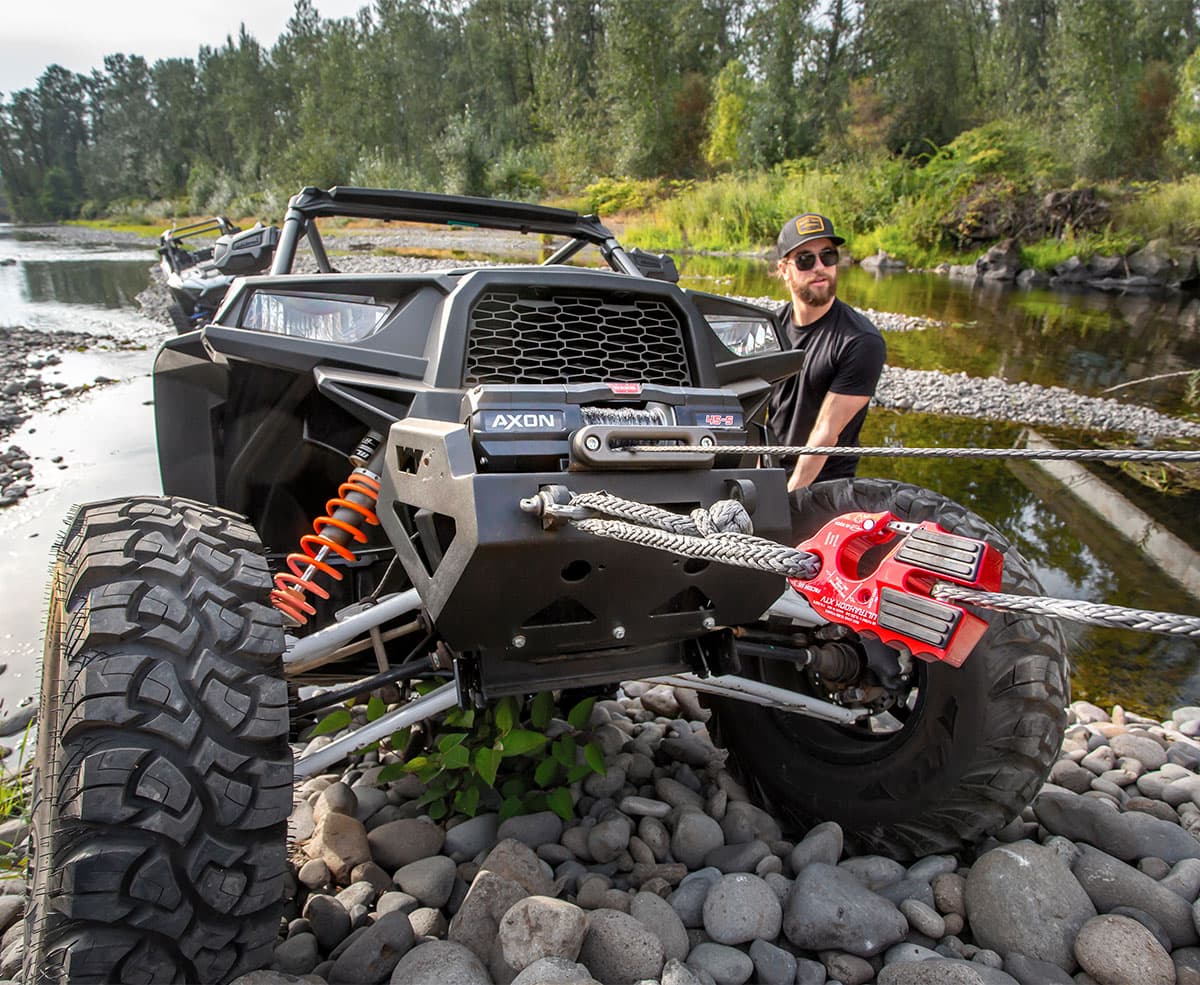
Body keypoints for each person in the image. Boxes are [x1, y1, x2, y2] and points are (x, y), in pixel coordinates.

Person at [766, 212, 886, 491]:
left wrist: (788, 498)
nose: (820, 267)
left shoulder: (860, 340)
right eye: (806, 259)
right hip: (770, 474)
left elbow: (825, 433)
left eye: (828, 256)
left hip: (824, 488)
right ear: (784, 269)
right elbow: (757, 409)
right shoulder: (771, 327)